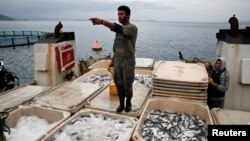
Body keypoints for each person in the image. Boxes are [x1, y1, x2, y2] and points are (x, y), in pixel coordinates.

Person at [89, 5, 138, 113]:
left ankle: (128, 103)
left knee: (127, 84)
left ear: (128, 15)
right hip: (118, 61)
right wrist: (112, 61)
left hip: (128, 62)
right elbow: (117, 48)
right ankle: (121, 104)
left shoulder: (132, 28)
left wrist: (102, 22)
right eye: (118, 14)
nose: (119, 16)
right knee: (118, 83)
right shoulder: (118, 33)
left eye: (121, 14)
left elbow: (117, 27)